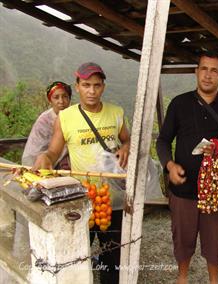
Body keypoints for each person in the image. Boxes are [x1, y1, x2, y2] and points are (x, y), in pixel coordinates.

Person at [33, 62, 130, 284]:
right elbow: (54, 151)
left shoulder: (116, 112)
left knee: (112, 258)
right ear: (77, 86)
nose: (92, 91)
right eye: (86, 85)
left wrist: (125, 147)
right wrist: (45, 159)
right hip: (81, 199)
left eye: (97, 85)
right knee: (77, 257)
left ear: (103, 87)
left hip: (112, 199)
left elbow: (127, 139)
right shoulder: (66, 117)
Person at [156, 51, 218, 284]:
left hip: (217, 192)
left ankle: (213, 281)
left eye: (214, 71)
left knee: (214, 240)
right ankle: (182, 277)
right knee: (182, 239)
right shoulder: (179, 103)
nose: (208, 75)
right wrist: (170, 164)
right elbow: (163, 140)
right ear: (196, 72)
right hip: (183, 190)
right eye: (204, 69)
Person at [22, 81, 71, 168]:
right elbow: (34, 151)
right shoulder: (44, 120)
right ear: (50, 101)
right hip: (42, 165)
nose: (61, 101)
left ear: (69, 99)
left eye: (65, 97)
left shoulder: (75, 116)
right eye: (56, 97)